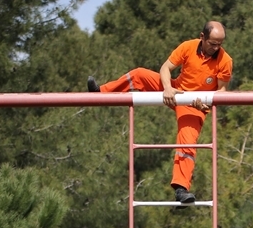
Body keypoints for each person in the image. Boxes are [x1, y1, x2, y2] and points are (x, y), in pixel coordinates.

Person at [89, 21, 233, 205]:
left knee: (187, 141)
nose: (215, 48)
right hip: (175, 90)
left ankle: (181, 189)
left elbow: (221, 93)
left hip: (195, 106)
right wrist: (167, 88)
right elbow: (165, 68)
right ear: (202, 37)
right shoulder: (188, 47)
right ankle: (100, 93)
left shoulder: (225, 60)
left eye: (219, 44)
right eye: (212, 43)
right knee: (139, 74)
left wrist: (203, 103)